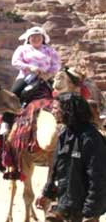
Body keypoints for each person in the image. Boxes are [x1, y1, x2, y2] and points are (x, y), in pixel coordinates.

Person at [35, 93, 106, 222]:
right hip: (64, 204)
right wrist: (46, 192)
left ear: (68, 111)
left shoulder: (91, 139)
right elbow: (56, 169)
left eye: (56, 109)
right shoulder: (63, 134)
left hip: (83, 210)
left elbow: (98, 178)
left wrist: (90, 212)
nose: (53, 112)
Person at [0, 26, 61, 135]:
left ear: (43, 38)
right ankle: (6, 121)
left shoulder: (50, 50)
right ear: (28, 39)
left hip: (45, 78)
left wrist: (49, 74)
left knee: (60, 97)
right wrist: (30, 68)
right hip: (26, 77)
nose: (36, 39)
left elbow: (56, 65)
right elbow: (15, 62)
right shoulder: (22, 49)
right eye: (33, 37)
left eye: (38, 36)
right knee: (13, 94)